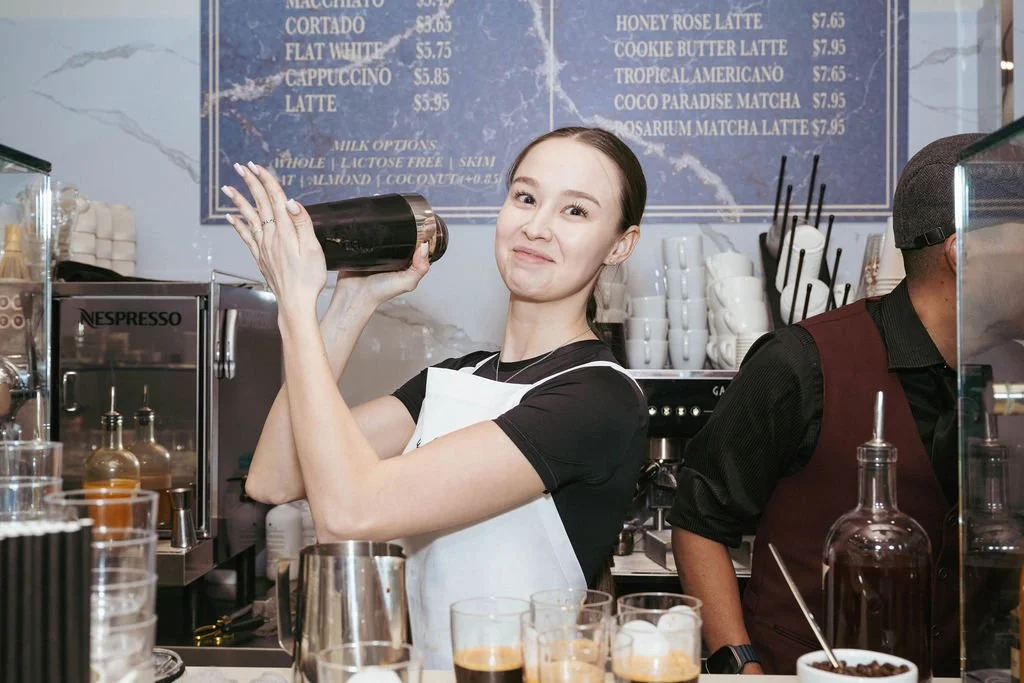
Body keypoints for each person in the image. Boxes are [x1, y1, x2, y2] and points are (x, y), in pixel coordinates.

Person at [219, 126, 650, 669]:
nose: (536, 227)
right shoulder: (454, 380)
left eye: (576, 211)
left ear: (620, 244)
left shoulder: (597, 398)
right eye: (526, 197)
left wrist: (296, 309)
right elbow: (274, 477)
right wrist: (349, 304)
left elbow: (350, 512)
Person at [668, 134, 983, 678]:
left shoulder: (1010, 374)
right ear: (964, 253)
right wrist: (741, 665)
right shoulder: (800, 362)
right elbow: (700, 521)